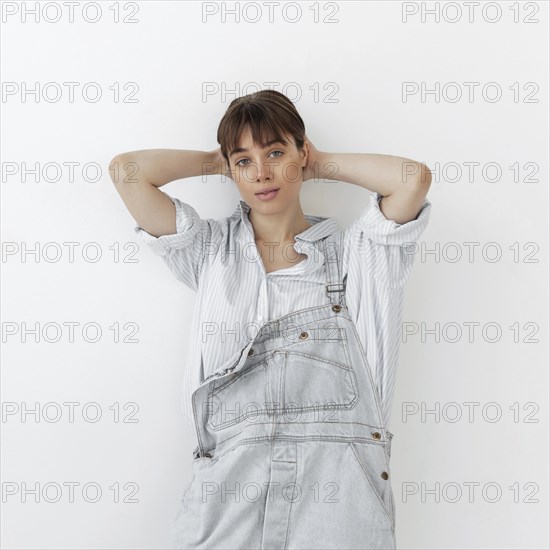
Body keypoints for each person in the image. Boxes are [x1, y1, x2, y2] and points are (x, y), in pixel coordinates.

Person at [109, 89, 432, 549]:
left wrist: (315, 162)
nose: (261, 173)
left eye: (275, 152)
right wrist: (217, 160)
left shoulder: (358, 257)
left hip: (339, 495)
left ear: (302, 152)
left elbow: (411, 179)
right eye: (244, 162)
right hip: (227, 494)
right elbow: (128, 173)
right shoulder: (210, 253)